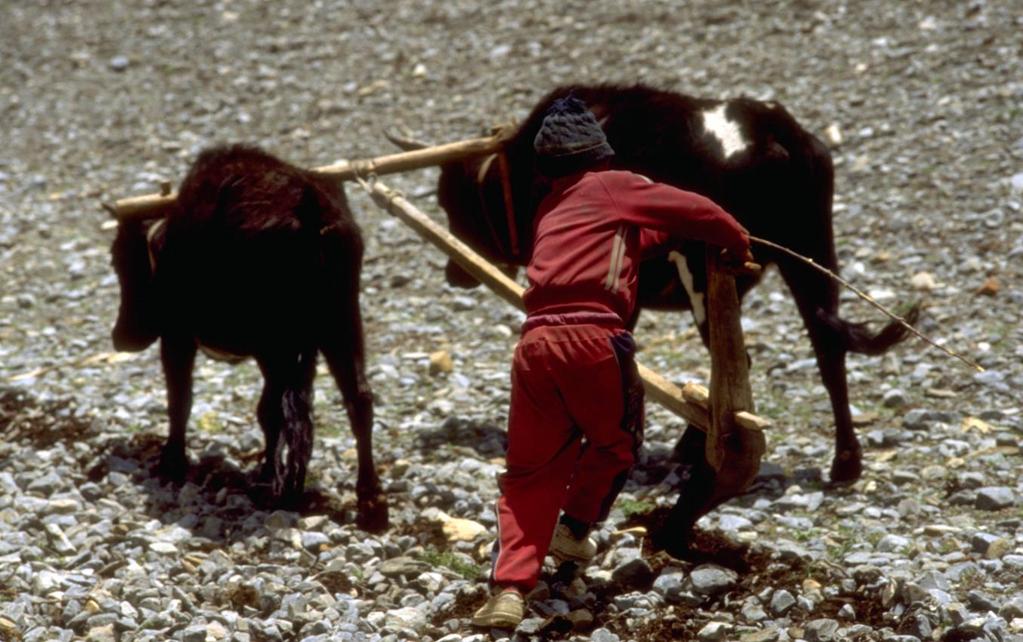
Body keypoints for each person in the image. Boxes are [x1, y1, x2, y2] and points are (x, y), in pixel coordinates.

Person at [471, 95, 752, 629]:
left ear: (547, 166)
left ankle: (508, 590)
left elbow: (624, 241)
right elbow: (701, 210)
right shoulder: (616, 184)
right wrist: (735, 244)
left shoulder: (552, 207)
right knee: (615, 442)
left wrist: (667, 235)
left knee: (529, 469)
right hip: (593, 341)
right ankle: (574, 529)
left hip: (534, 346)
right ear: (600, 156)